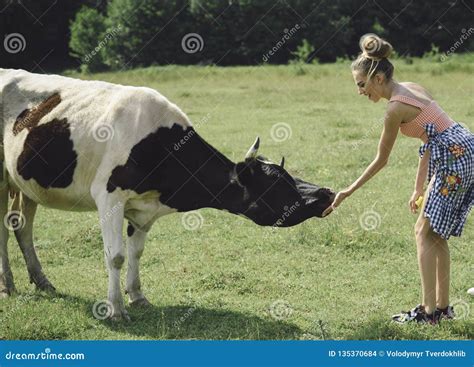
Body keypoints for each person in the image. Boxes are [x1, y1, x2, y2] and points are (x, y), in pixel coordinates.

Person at [331, 34, 473, 324]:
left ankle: (427, 312)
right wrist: (418, 186)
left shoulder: (394, 108)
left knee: (422, 232)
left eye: (361, 84)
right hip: (463, 147)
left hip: (452, 157)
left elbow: (382, 160)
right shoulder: (411, 88)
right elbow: (431, 136)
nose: (360, 91)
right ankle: (443, 310)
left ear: (378, 79)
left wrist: (348, 190)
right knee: (435, 234)